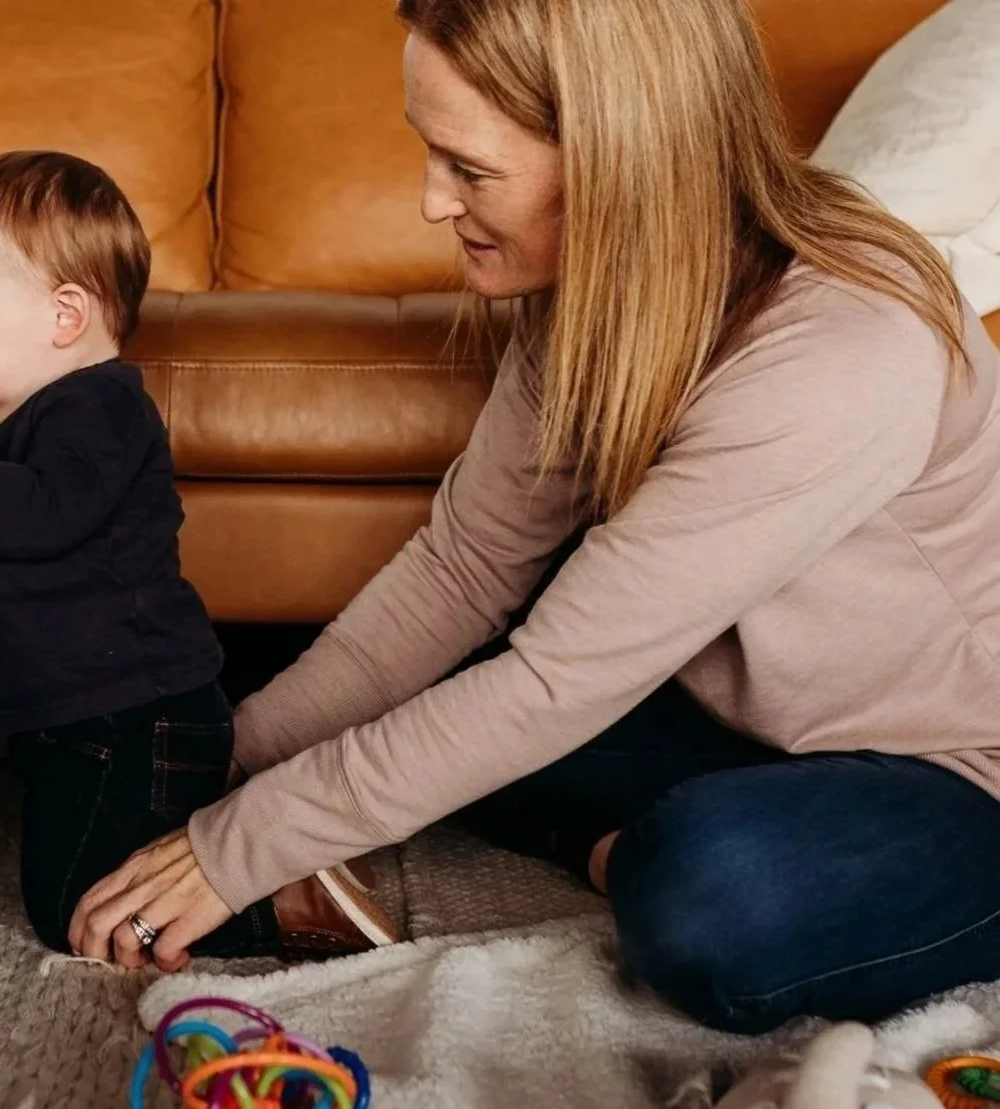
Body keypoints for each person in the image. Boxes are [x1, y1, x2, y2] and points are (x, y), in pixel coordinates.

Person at [69, 0, 1000, 1035]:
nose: (432, 202)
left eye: (466, 170)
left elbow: (556, 680)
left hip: (953, 772)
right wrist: (225, 766)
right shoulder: (591, 290)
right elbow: (465, 570)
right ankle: (615, 828)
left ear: (618, 158)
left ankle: (626, 845)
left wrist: (235, 844)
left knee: (705, 896)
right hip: (735, 717)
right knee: (333, 693)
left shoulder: (844, 348)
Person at [0, 150, 398, 960]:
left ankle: (287, 899)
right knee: (108, 856)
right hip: (76, 722)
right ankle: (214, 831)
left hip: (132, 715)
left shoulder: (102, 409)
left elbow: (42, 514)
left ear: (64, 316)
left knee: (77, 907)